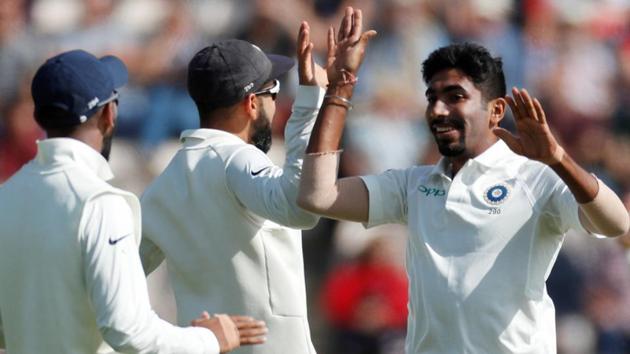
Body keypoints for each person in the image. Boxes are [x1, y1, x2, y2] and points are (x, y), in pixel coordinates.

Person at [297, 7, 630, 354]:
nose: (438, 110)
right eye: (432, 98)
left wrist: (558, 159)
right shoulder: (413, 184)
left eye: (455, 97)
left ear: (496, 111)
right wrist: (340, 89)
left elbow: (617, 223)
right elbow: (317, 196)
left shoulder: (533, 178)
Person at [0, 49, 267, 354]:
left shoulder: (6, 196)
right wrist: (210, 339)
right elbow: (129, 331)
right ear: (109, 114)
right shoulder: (100, 203)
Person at [139, 23, 328, 354]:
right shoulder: (236, 159)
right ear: (252, 103)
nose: (277, 104)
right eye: (274, 92)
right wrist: (312, 99)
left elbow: (115, 279)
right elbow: (301, 206)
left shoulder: (162, 186)